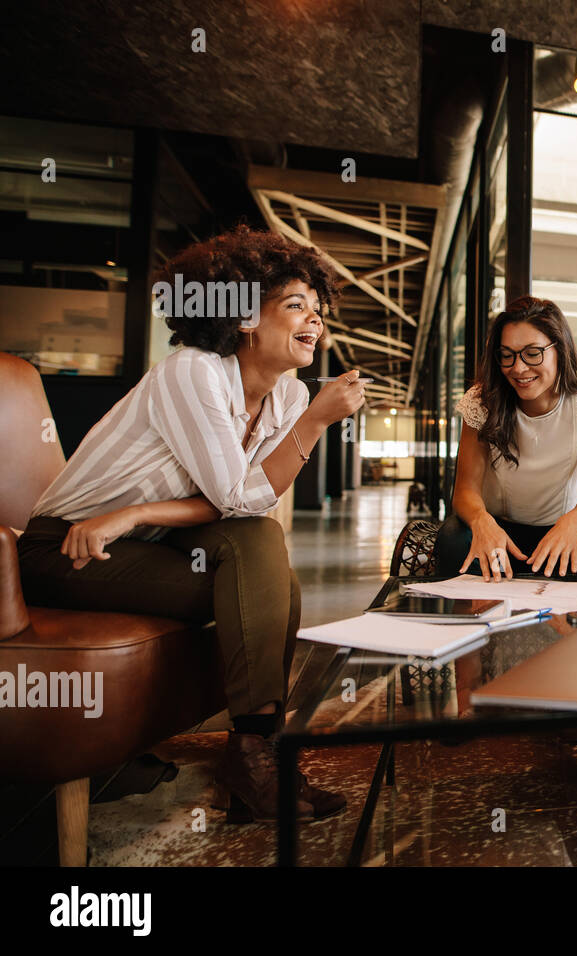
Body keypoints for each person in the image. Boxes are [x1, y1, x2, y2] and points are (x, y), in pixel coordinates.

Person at [17, 225, 365, 824]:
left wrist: (135, 512)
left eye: (318, 307)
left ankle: (256, 753)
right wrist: (314, 424)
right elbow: (238, 494)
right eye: (296, 305)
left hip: (142, 539)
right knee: (265, 585)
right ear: (246, 318)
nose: (316, 321)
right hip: (63, 549)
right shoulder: (194, 372)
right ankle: (255, 761)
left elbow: (244, 503)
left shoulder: (283, 397)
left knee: (262, 549)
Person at [433, 296, 577, 579]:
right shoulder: (482, 402)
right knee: (453, 536)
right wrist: (482, 521)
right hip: (499, 534)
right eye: (507, 354)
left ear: (560, 349)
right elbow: (465, 490)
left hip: (561, 529)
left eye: (532, 353)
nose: (518, 368)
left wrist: (571, 523)